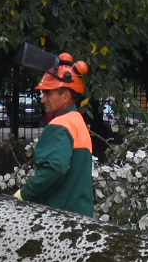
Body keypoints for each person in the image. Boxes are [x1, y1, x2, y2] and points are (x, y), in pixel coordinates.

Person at [14, 53, 95, 217]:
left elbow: (55, 169)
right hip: (82, 217)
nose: (43, 100)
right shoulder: (77, 122)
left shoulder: (60, 125)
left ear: (65, 96)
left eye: (48, 94)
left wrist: (23, 194)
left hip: (59, 217)